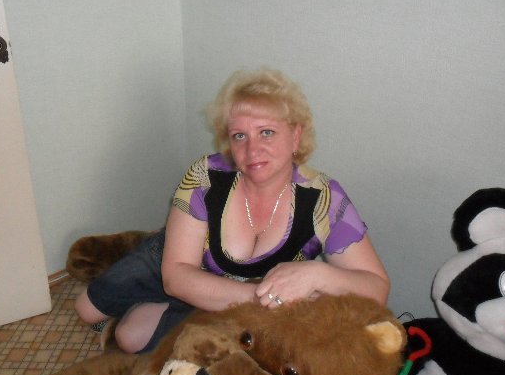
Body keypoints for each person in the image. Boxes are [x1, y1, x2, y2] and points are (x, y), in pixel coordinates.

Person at [75, 67, 390, 354]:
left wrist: (318, 274)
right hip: (179, 261)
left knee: (130, 337)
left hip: (217, 293)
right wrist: (264, 300)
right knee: (85, 310)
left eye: (266, 132)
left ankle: (155, 307)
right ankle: (154, 239)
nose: (252, 149)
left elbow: (377, 287)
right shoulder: (205, 177)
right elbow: (176, 276)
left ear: (295, 136)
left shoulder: (324, 200)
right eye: (240, 136)